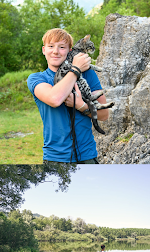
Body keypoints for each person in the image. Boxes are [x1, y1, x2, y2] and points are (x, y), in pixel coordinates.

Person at [27, 28, 109, 164]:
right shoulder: (37, 79)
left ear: (70, 50)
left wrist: (81, 105)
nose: (55, 51)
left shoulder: (88, 74)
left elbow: (104, 114)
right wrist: (75, 69)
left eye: (62, 47)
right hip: (55, 158)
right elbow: (55, 99)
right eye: (51, 46)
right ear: (43, 50)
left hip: (87, 156)